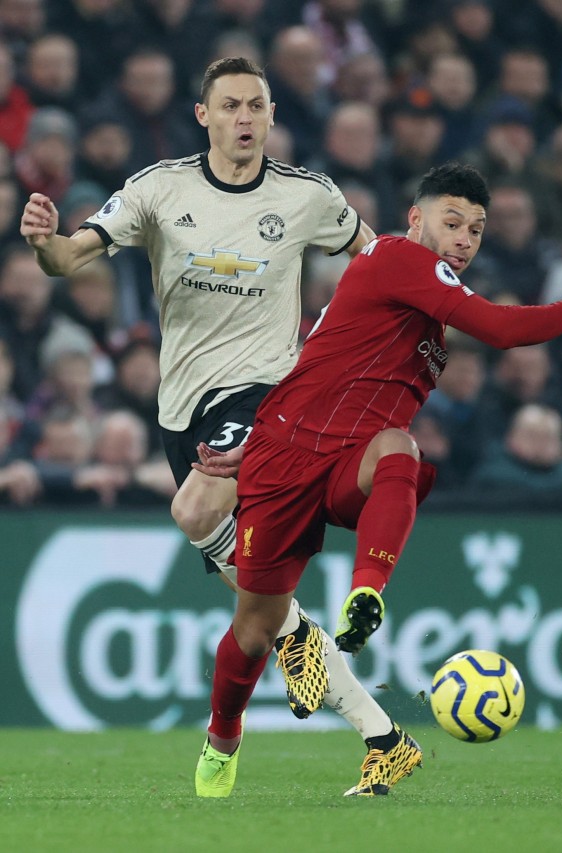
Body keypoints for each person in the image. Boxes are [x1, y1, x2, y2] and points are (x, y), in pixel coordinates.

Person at [19, 56, 412, 799]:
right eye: (229, 105)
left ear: (269, 117)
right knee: (260, 621)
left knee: (196, 508)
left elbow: (381, 260)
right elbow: (70, 258)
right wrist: (45, 241)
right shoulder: (158, 189)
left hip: (272, 395)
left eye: (255, 106)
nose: (243, 118)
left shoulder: (307, 197)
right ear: (203, 115)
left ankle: (310, 667)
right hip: (183, 411)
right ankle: (355, 733)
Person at [194, 162, 562, 799]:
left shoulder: (429, 312)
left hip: (344, 463)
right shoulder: (398, 257)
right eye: (452, 222)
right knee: (256, 628)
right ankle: (223, 736)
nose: (464, 238)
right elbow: (505, 330)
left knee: (400, 448)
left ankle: (365, 594)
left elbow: (325, 366)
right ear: (415, 219)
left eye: (476, 230)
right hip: (287, 463)